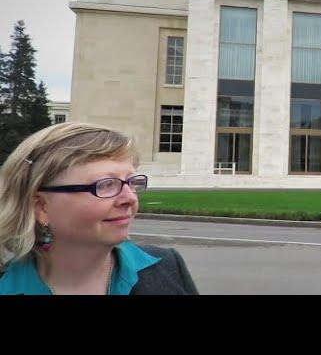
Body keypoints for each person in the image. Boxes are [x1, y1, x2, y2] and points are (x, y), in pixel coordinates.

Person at [0, 122, 198, 295]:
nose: (129, 198)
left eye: (131, 181)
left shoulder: (166, 266)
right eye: (105, 184)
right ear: (41, 206)